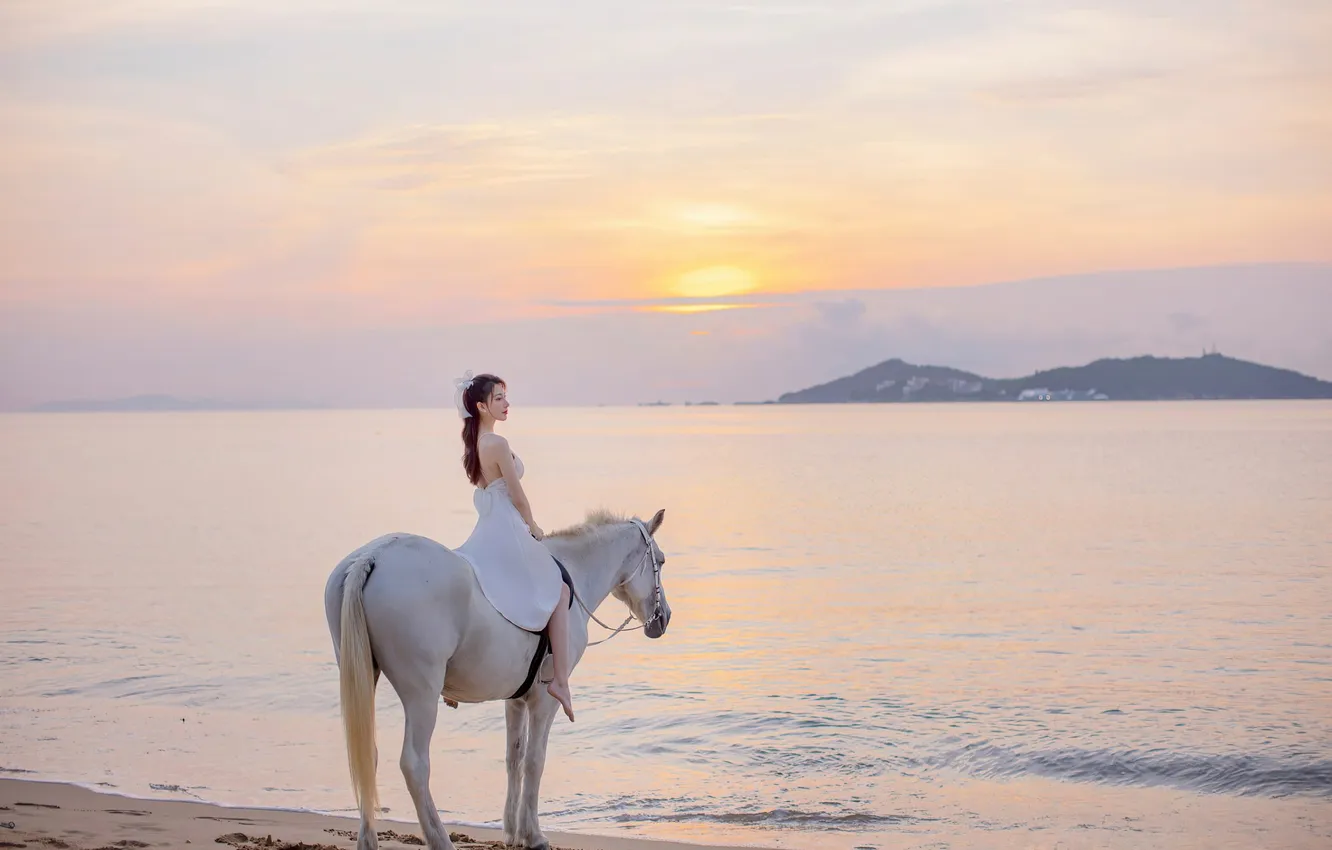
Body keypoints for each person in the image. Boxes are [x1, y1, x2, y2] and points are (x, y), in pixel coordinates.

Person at [452, 371, 575, 721]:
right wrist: (534, 526)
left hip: (491, 524)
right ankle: (561, 680)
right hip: (508, 525)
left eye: (506, 396)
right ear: (481, 406)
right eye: (499, 398)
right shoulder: (496, 445)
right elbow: (517, 496)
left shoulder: (475, 444)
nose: (507, 403)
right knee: (560, 591)